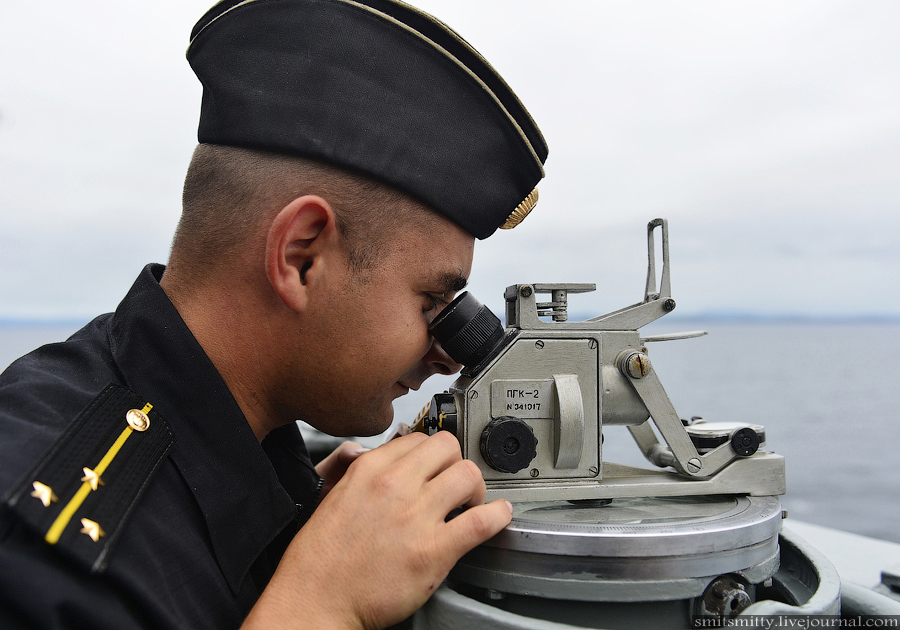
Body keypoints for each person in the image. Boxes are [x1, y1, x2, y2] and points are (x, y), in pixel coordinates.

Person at [0, 0, 548, 628]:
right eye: (432, 303)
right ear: (300, 257)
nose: (449, 353)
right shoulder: (38, 544)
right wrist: (320, 604)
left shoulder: (230, 453)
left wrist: (289, 522)